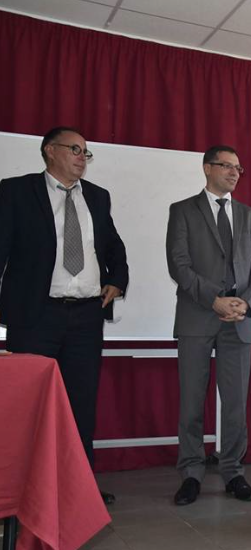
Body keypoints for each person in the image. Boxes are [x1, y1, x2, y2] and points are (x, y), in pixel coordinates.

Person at [0, 126, 129, 504]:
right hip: (35, 316)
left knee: (80, 406)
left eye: (86, 152)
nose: (81, 157)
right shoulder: (15, 191)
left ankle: (79, 491)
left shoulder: (98, 196)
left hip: (86, 317)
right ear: (49, 151)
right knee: (29, 406)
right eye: (75, 149)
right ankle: (24, 494)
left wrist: (117, 281)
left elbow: (113, 247)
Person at [166, 145, 251, 506]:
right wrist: (214, 298)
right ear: (207, 168)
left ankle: (233, 472)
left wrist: (247, 302)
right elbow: (178, 265)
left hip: (238, 320)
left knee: (236, 403)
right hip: (197, 316)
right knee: (191, 401)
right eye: (226, 166)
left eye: (238, 168)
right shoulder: (182, 211)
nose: (234, 173)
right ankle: (191, 473)